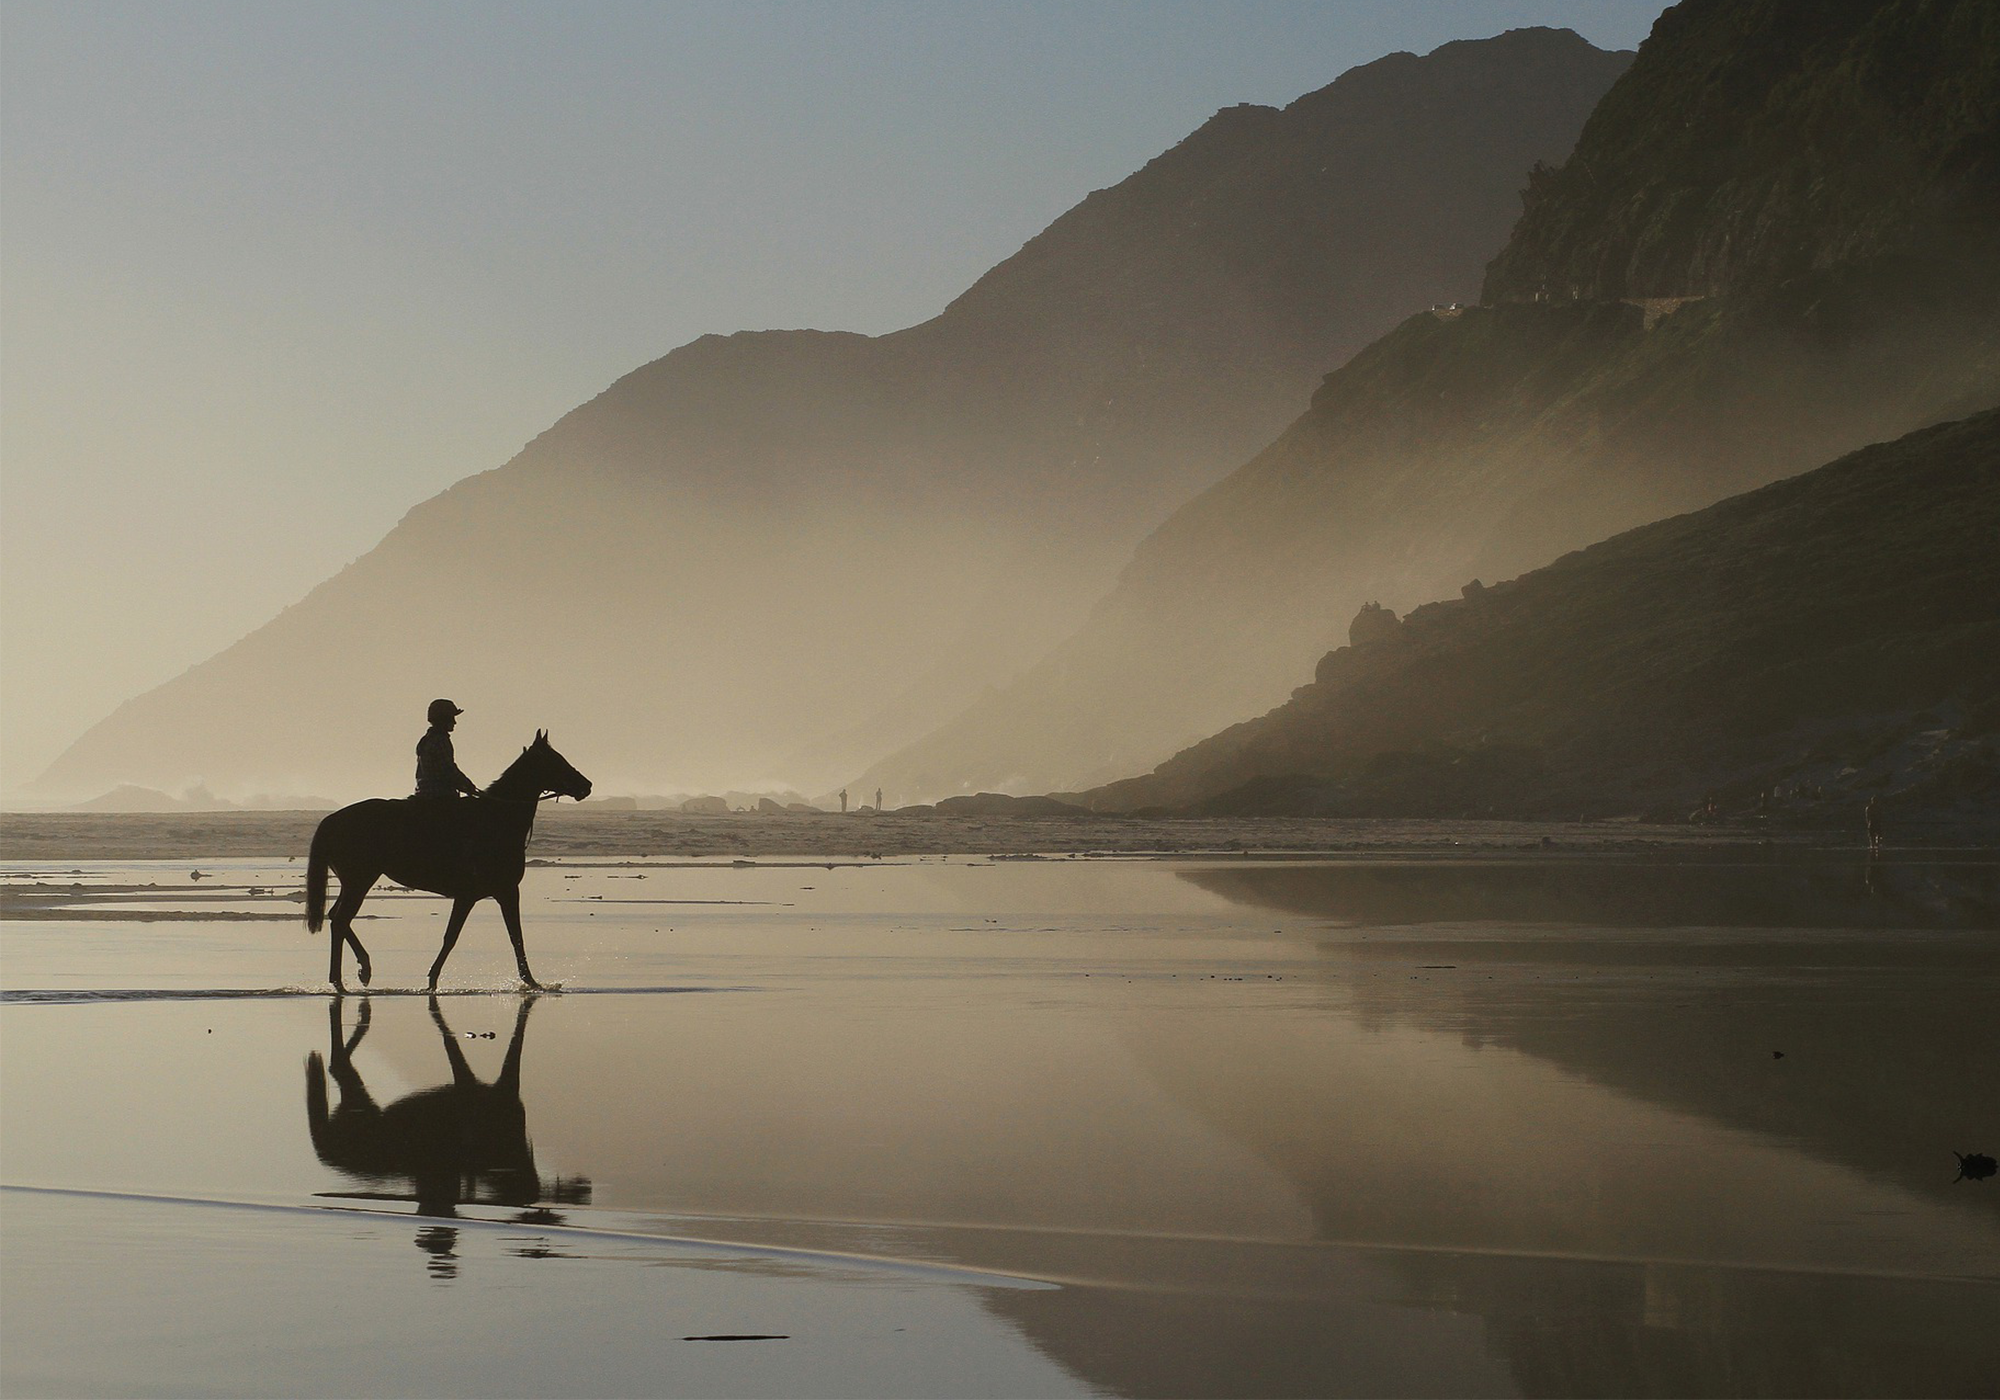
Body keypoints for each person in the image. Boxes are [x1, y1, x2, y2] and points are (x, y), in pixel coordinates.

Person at [414, 699, 481, 799]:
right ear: (443, 719)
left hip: (424, 793)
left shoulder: (426, 740)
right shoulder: (440, 740)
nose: (454, 722)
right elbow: (448, 770)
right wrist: (467, 784)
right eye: (451, 718)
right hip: (440, 795)